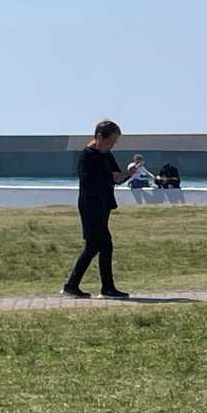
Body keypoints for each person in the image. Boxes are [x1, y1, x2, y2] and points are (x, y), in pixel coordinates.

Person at [62, 120, 133, 299]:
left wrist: (127, 175)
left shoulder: (107, 154)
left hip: (104, 204)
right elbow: (89, 181)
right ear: (99, 137)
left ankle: (79, 286)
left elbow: (116, 177)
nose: (112, 145)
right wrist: (110, 177)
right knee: (101, 244)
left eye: (114, 142)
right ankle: (101, 287)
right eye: (110, 141)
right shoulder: (88, 156)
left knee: (96, 245)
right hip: (90, 205)